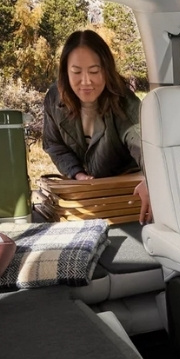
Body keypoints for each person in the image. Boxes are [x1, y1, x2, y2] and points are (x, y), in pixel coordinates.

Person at [41, 30, 151, 224]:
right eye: (76, 72)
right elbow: (54, 144)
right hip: (85, 199)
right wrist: (77, 173)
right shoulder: (53, 98)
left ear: (106, 71)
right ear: (65, 72)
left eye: (94, 71)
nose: (86, 81)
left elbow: (143, 141)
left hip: (125, 198)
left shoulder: (124, 101)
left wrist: (152, 179)